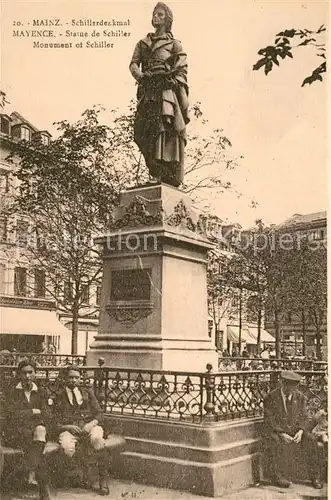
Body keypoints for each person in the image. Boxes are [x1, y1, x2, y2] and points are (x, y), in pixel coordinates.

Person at [129, 2, 189, 187]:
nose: (156, 17)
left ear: (167, 19)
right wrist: (141, 77)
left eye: (161, 15)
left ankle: (160, 173)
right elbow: (133, 64)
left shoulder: (174, 44)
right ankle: (154, 170)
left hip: (165, 92)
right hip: (148, 90)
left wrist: (173, 81)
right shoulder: (143, 43)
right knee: (141, 131)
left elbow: (182, 70)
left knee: (162, 130)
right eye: (155, 14)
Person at [52, 365, 109, 496]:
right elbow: (54, 420)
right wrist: (67, 427)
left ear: (80, 379)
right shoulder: (59, 396)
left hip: (89, 425)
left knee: (97, 440)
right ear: (65, 378)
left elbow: (100, 414)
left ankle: (103, 480)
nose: (73, 380)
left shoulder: (87, 393)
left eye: (76, 378)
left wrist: (91, 424)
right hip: (70, 429)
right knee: (67, 448)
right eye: (70, 377)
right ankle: (79, 476)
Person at [263, 370, 322, 489]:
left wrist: (300, 431)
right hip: (278, 431)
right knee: (273, 441)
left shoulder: (300, 397)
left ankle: (315, 477)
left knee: (311, 440)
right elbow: (269, 419)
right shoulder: (270, 397)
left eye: (293, 387)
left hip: (296, 431)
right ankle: (278, 477)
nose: (290, 390)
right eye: (288, 386)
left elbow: (304, 417)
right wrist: (281, 433)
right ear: (281, 383)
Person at [4, 359, 52, 499]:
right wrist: (32, 412)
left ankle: (31, 476)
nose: (27, 376)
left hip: (35, 432)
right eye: (24, 373)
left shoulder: (41, 391)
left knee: (40, 430)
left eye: (30, 372)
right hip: (16, 432)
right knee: (38, 444)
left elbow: (48, 414)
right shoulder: (12, 392)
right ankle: (42, 487)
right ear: (19, 374)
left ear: (35, 374)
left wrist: (32, 417)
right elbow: (10, 415)